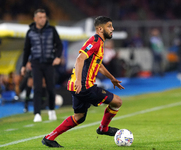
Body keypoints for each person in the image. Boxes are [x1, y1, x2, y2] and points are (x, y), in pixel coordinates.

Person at [41, 16, 125, 148]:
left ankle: (49, 138)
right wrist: (79, 82)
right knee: (117, 101)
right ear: (100, 28)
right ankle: (103, 128)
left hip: (77, 86)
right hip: (85, 86)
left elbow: (99, 65)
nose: (112, 28)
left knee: (79, 116)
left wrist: (112, 78)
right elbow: (80, 59)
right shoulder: (95, 40)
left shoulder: (99, 43)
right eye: (109, 26)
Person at [21, 9, 63, 122]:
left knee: (50, 88)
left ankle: (52, 110)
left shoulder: (52, 30)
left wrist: (58, 57)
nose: (42, 19)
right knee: (37, 88)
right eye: (40, 17)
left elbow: (59, 45)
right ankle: (37, 114)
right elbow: (26, 50)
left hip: (49, 63)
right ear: (35, 19)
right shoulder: (30, 32)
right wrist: (23, 65)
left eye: (44, 17)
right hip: (36, 63)